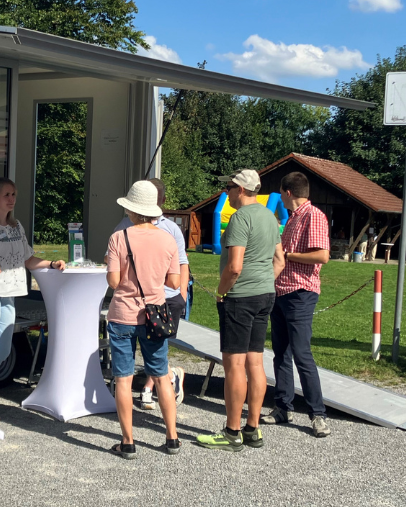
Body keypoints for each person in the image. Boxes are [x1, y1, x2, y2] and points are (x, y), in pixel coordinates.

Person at [196, 169, 284, 452]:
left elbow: (234, 266)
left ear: (242, 190)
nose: (227, 193)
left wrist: (222, 292)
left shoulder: (239, 218)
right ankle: (252, 428)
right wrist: (264, 280)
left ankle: (232, 431)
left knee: (234, 364)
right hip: (265, 294)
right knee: (255, 362)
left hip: (240, 297)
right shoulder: (270, 218)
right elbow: (280, 260)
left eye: (230, 188)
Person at [0, 177, 65, 421]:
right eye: (7, 194)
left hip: (9, 293)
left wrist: (51, 264)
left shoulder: (16, 227)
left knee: (1, 351)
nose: (11, 199)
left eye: (14, 194)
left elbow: (28, 259)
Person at [105, 180, 182, 457]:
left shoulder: (119, 238)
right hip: (155, 314)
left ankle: (127, 442)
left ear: (132, 210)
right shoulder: (168, 238)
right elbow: (174, 280)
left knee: (123, 379)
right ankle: (172, 437)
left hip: (123, 314)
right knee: (161, 376)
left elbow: (114, 282)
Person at [261, 171, 331, 437]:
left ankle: (318, 414)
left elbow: (322, 255)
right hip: (281, 291)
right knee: (281, 353)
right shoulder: (291, 219)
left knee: (302, 353)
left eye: (280, 193)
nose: (280, 197)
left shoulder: (313, 216)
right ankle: (283, 407)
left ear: (287, 193)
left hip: (301, 292)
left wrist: (288, 255)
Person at [112, 177, 190, 410]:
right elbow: (174, 275)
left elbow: (182, 266)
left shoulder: (169, 229)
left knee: (145, 369)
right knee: (158, 363)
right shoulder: (125, 228)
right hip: (153, 299)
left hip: (158, 301)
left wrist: (182, 296)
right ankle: (170, 433)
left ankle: (129, 436)